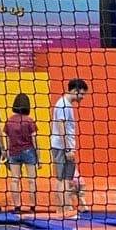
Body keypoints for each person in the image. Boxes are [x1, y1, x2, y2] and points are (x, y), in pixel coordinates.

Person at [49, 78, 90, 216]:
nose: (83, 97)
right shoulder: (63, 105)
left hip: (62, 146)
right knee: (63, 179)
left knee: (66, 179)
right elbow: (61, 126)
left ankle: (62, 209)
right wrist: (67, 149)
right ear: (75, 91)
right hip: (62, 147)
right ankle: (65, 210)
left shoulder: (65, 104)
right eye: (82, 94)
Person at [4, 94, 39, 213]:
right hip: (28, 151)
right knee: (32, 180)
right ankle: (32, 207)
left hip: (14, 152)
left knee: (14, 180)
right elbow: (35, 140)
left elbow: (7, 139)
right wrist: (38, 158)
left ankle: (17, 206)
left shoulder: (9, 121)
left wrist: (8, 155)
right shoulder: (29, 121)